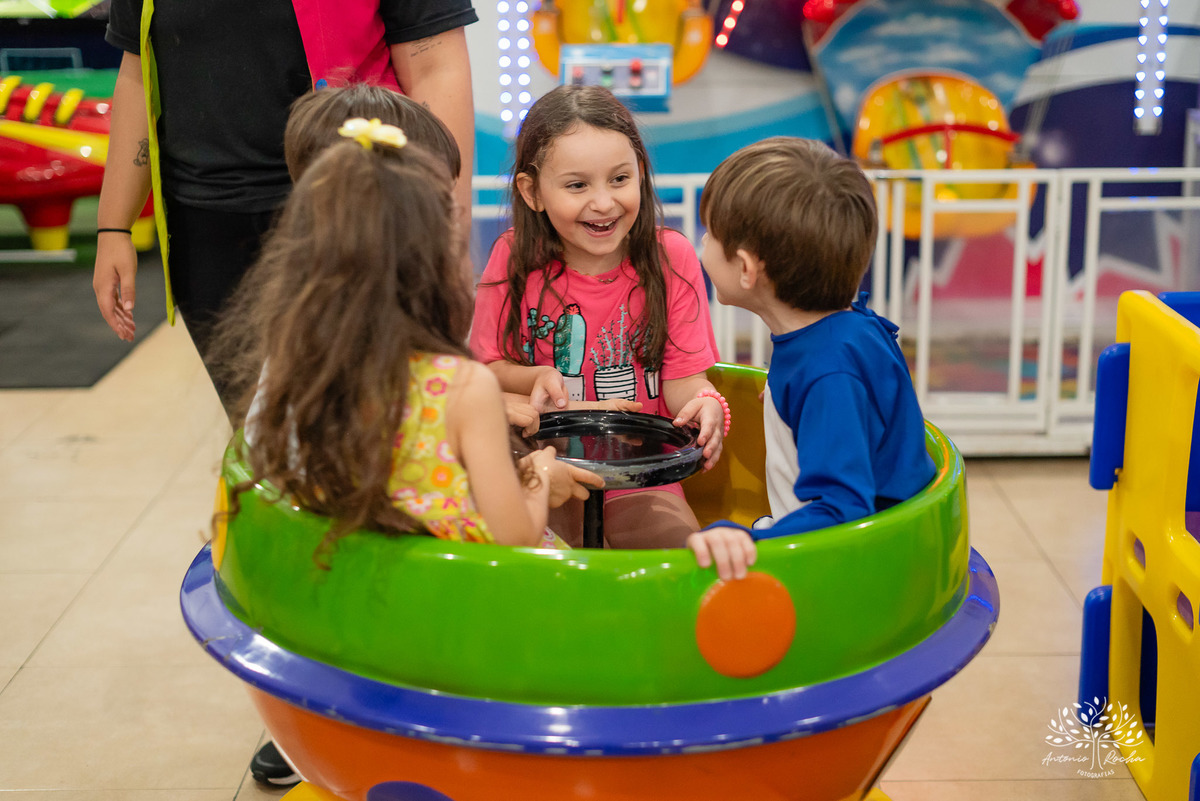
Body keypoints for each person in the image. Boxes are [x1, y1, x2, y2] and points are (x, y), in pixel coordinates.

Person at [92, 0, 477, 419]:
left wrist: (446, 229)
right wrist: (114, 227)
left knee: (371, 426)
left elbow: (435, 66)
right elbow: (138, 67)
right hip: (206, 224)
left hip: (354, 215)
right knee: (259, 432)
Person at [470, 85, 728, 549]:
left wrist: (707, 402)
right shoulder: (512, 258)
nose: (604, 202)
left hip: (642, 476)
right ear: (533, 193)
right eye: (576, 185)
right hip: (541, 469)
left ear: (641, 175)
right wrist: (536, 376)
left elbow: (684, 379)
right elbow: (485, 371)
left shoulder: (671, 257)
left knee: (679, 571)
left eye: (619, 179)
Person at [694, 137, 936, 550]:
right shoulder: (843, 331)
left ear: (748, 268)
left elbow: (841, 510)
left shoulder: (828, 372)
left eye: (711, 235)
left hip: (843, 565)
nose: (701, 245)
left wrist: (749, 541)